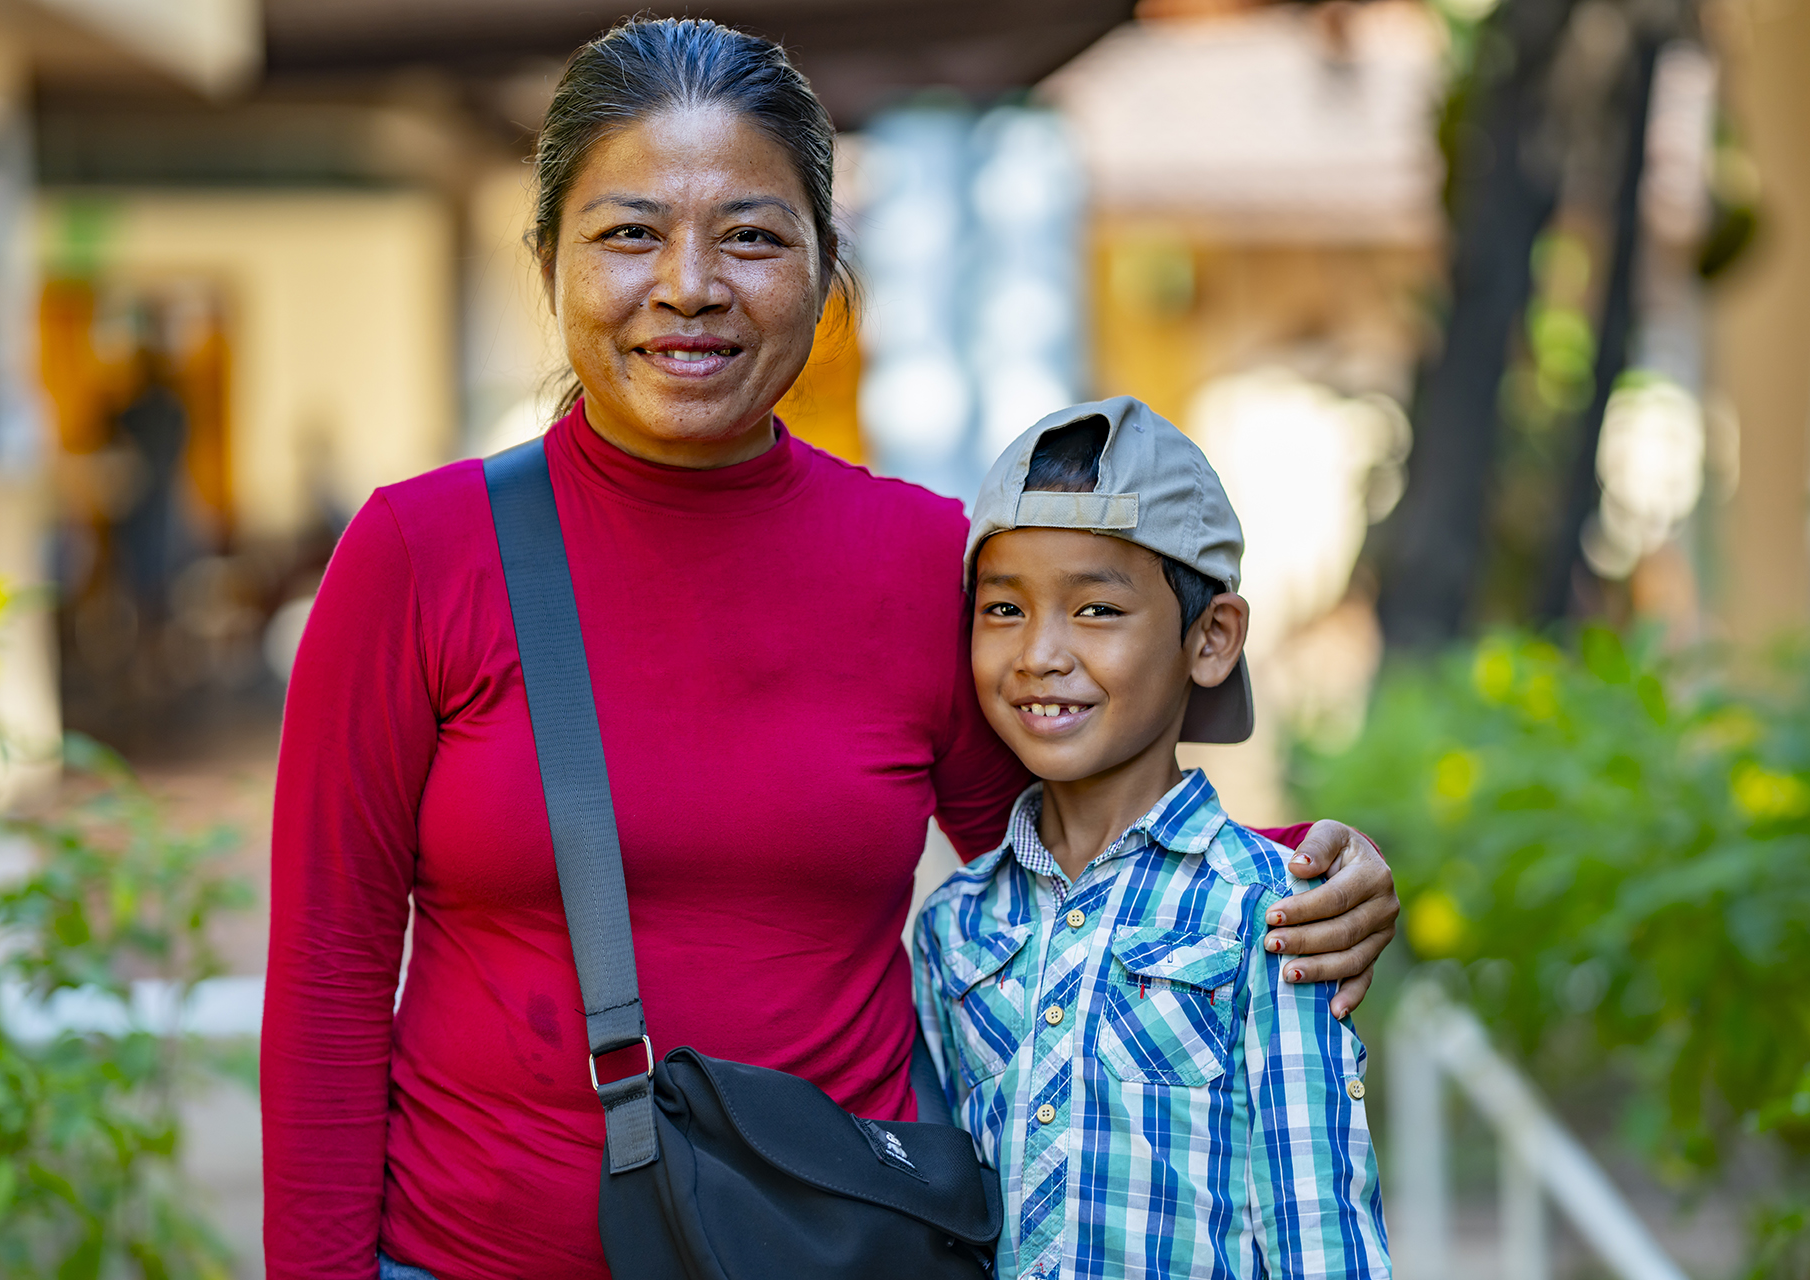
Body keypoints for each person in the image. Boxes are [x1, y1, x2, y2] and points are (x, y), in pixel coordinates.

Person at [261, 19, 1399, 1280]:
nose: (689, 283)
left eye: (750, 235)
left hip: (829, 1249)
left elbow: (1067, 862)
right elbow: (328, 972)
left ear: (824, 266)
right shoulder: (420, 552)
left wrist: (1297, 871)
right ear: (548, 262)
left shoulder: (923, 564)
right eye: (629, 232)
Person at [914, 398, 1390, 1280]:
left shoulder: (1276, 913)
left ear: (1211, 640)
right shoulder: (954, 926)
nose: (1040, 654)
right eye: (1003, 610)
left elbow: (1317, 1224)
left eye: (1096, 610)